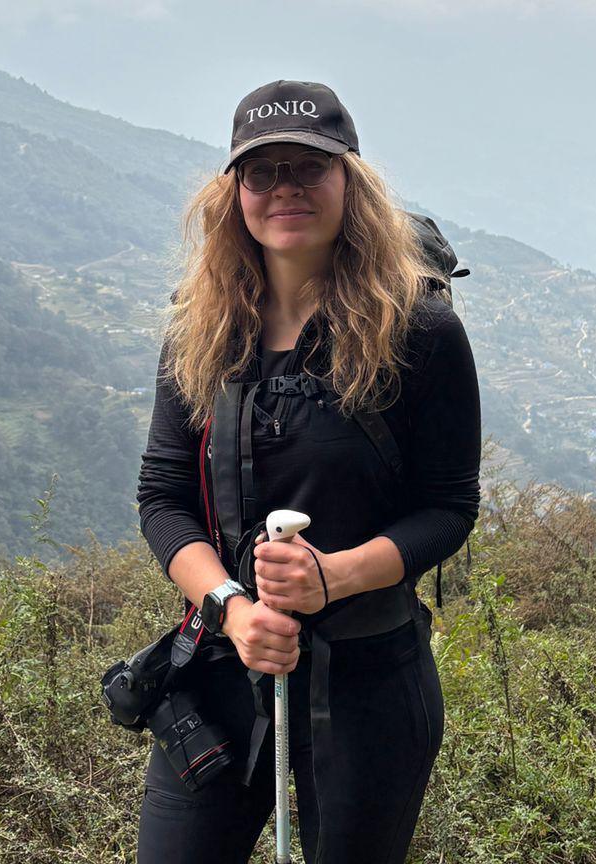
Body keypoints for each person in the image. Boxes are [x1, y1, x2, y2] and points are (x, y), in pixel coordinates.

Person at [134, 79, 481, 864]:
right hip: (225, 665)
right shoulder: (202, 333)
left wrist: (337, 578)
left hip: (371, 682)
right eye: (262, 171)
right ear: (235, 194)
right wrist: (230, 607)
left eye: (309, 167)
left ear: (349, 184)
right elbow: (163, 498)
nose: (285, 186)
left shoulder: (419, 330)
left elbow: (449, 506)